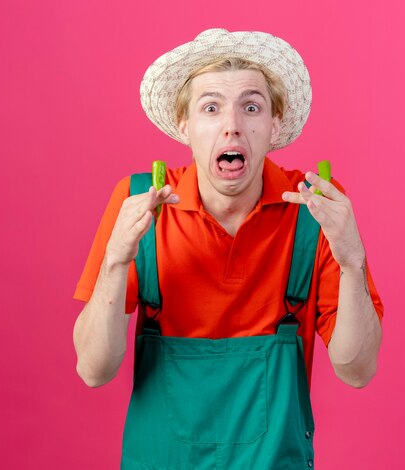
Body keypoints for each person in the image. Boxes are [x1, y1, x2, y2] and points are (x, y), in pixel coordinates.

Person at [73, 28, 384, 469]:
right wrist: (116, 260)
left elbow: (358, 371)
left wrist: (353, 262)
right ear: (185, 126)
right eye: (211, 107)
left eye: (251, 107)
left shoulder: (315, 208)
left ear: (274, 125)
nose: (232, 124)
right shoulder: (139, 202)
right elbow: (92, 369)